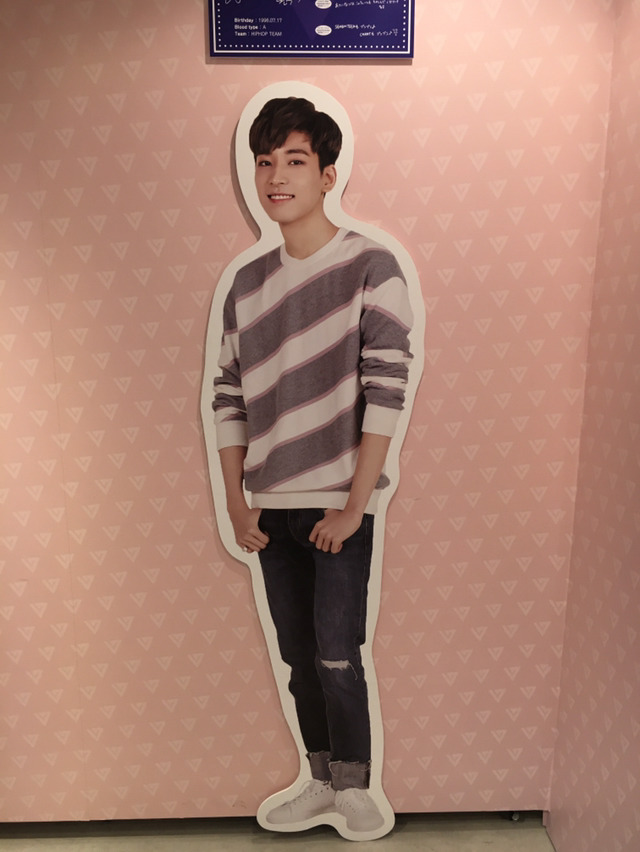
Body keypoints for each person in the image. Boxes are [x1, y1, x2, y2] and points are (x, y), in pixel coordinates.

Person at [211, 96, 414, 835]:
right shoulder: (246, 285)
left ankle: (354, 783)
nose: (276, 176)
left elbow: (387, 386)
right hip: (271, 507)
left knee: (336, 655)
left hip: (337, 504)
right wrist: (237, 502)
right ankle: (321, 778)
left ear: (328, 174)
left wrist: (355, 505)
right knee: (298, 657)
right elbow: (228, 394)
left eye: (294, 161)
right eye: (265, 161)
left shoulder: (371, 266)